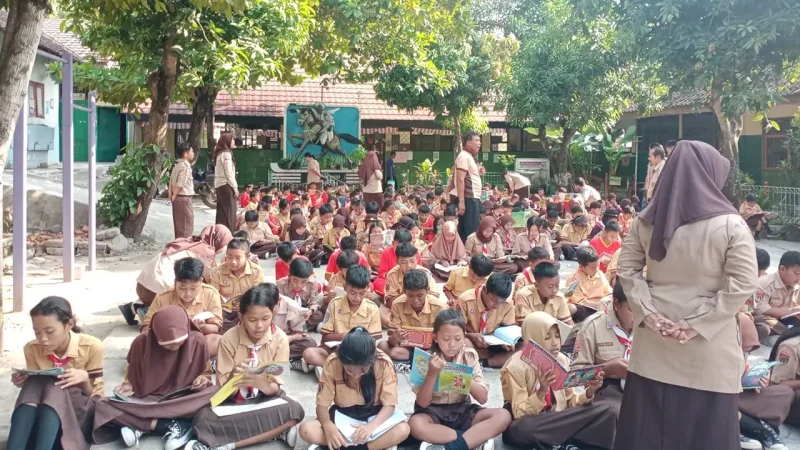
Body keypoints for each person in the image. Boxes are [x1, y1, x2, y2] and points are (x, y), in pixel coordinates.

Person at [614, 140, 757, 450]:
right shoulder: (732, 224)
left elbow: (626, 271)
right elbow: (744, 283)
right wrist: (697, 324)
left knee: (647, 432)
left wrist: (648, 314)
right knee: (704, 435)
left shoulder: (645, 221)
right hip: (707, 349)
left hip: (654, 344)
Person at [186, 285, 306, 450]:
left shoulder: (280, 339)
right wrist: (235, 379)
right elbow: (222, 389)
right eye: (252, 320)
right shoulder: (228, 339)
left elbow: (276, 387)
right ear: (241, 317)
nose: (259, 326)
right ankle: (275, 432)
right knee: (202, 420)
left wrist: (260, 382)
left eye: (265, 318)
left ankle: (228, 444)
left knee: (294, 410)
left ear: (274, 313)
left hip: (265, 398)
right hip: (234, 402)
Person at [92, 306, 214, 449]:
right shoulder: (141, 342)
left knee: (214, 395)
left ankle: (138, 423)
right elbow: (132, 373)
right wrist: (128, 385)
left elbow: (205, 373)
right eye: (168, 345)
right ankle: (170, 425)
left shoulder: (197, 340)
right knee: (102, 405)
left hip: (182, 398)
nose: (175, 347)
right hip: (149, 399)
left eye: (179, 343)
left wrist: (202, 380)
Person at [501, 312, 614, 450]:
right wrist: (541, 392)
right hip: (533, 423)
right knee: (523, 428)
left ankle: (557, 443)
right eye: (547, 337)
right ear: (532, 338)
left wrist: (590, 391)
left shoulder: (561, 360)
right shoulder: (516, 366)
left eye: (557, 336)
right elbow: (519, 413)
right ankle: (564, 443)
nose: (555, 343)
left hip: (557, 420)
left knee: (607, 410)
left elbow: (571, 402)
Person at [9, 297, 103, 450]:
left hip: (78, 413)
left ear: (69, 325)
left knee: (55, 385)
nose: (43, 339)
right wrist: (23, 380)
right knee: (36, 382)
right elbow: (35, 391)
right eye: (37, 332)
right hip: (45, 416)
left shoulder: (91, 346)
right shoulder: (32, 348)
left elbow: (96, 398)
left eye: (50, 331)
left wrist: (84, 379)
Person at [409, 310, 512, 450]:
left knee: (503, 416)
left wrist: (460, 374)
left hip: (462, 410)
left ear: (464, 337)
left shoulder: (469, 356)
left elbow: (482, 398)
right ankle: (470, 439)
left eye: (457, 339)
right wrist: (432, 374)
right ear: (435, 337)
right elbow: (422, 402)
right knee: (415, 424)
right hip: (433, 413)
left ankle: (453, 446)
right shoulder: (426, 359)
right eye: (446, 339)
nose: (452, 344)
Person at [298, 327, 411, 450]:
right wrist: (327, 425)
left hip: (375, 414)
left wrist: (371, 427)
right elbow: (322, 404)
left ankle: (349, 446)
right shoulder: (333, 362)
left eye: (362, 371)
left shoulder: (383, 363)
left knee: (403, 429)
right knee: (306, 430)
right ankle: (365, 445)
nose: (356, 376)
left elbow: (389, 405)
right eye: (349, 371)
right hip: (343, 415)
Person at [123, 225, 232, 326]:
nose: (223, 249)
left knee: (183, 283)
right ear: (218, 240)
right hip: (159, 290)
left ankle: (136, 306)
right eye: (225, 244)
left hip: (142, 286)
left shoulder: (190, 242)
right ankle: (147, 312)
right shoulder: (205, 251)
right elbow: (209, 281)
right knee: (192, 289)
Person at [570, 282, 634, 417]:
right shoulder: (593, 326)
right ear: (616, 304)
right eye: (632, 309)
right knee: (617, 413)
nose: (639, 315)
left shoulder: (647, 327)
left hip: (640, 388)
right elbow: (574, 377)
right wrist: (606, 369)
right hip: (606, 390)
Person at [301, 266, 382, 370]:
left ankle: (332, 368)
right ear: (345, 287)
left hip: (360, 352)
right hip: (336, 350)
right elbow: (325, 337)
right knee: (308, 353)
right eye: (352, 293)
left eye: (362, 293)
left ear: (368, 289)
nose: (357, 298)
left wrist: (355, 342)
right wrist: (344, 336)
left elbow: (373, 340)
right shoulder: (334, 304)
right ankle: (347, 369)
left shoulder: (372, 308)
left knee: (381, 360)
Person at [141, 257, 224, 357]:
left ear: (201, 281)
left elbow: (216, 327)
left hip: (196, 342)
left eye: (193, 288)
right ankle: (190, 361)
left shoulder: (210, 294)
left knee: (218, 341)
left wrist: (202, 327)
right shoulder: (163, 297)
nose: (188, 293)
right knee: (142, 342)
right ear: (175, 282)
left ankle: (179, 361)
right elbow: (146, 327)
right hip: (170, 343)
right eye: (182, 288)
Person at [379, 270, 447, 363]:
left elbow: (445, 337)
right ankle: (421, 359)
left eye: (420, 295)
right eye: (410, 296)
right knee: (382, 346)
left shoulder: (439, 307)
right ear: (404, 291)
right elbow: (392, 341)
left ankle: (420, 359)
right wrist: (395, 337)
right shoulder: (397, 304)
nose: (415, 300)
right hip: (407, 350)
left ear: (428, 290)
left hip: (432, 350)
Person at [456, 273, 516, 368]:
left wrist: (508, 340)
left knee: (523, 347)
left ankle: (483, 363)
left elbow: (507, 328)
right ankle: (496, 359)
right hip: (472, 342)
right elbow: (455, 329)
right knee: (459, 342)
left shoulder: (508, 304)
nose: (497, 306)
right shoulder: (465, 300)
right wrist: (470, 336)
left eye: (501, 302)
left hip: (495, 344)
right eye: (494, 300)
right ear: (484, 290)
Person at [209, 237, 265, 333]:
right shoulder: (217, 272)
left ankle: (232, 330)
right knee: (211, 319)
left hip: (246, 311)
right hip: (223, 311)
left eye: (238, 258)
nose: (233, 262)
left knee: (257, 317)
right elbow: (212, 297)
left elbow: (258, 296)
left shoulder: (256, 271)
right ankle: (238, 330)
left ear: (247, 257)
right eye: (229, 257)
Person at [753, 251, 800, 340]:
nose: (799, 278)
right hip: (766, 320)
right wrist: (792, 310)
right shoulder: (765, 283)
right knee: (763, 328)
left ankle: (786, 333)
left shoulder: (797, 284)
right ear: (782, 269)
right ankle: (788, 333)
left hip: (785, 320)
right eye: (796, 273)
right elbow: (762, 311)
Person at [449, 131, 484, 242]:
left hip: (472, 198)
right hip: (468, 198)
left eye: (480, 141)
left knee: (466, 230)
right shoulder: (464, 156)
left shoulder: (469, 157)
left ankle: (466, 254)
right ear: (468, 143)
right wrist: (462, 202)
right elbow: (460, 180)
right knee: (471, 231)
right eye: (477, 140)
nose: (479, 143)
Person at [514, 262, 572, 326]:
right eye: (550, 287)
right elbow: (525, 325)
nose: (555, 290)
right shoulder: (523, 295)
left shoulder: (559, 297)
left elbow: (568, 323)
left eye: (557, 285)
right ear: (537, 285)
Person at [384, 242, 438, 311]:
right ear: (397, 261)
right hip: (401, 309)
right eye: (404, 262)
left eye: (412, 261)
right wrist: (407, 293)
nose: (409, 266)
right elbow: (389, 303)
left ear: (417, 259)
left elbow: (435, 297)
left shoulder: (425, 273)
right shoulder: (392, 275)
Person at [566, 247, 612, 323]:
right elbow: (581, 302)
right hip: (584, 309)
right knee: (574, 308)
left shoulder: (600, 274)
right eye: (593, 268)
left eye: (598, 266)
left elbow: (609, 293)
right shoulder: (574, 279)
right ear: (581, 267)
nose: (597, 269)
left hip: (600, 307)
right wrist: (601, 304)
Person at [277, 258, 325, 330]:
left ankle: (292, 329)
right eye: (295, 280)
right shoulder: (281, 284)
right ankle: (303, 328)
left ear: (308, 279)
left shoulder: (312, 283)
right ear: (289, 276)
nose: (299, 285)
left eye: (303, 282)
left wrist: (310, 311)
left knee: (319, 315)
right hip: (288, 311)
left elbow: (314, 303)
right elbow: (279, 306)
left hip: (304, 309)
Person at [169, 143, 195, 239]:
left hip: (178, 199)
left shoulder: (177, 165)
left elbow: (171, 182)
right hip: (183, 198)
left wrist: (171, 196)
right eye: (191, 151)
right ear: (185, 154)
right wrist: (174, 196)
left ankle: (179, 246)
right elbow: (180, 184)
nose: (193, 153)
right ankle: (184, 248)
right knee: (186, 226)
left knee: (179, 226)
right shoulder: (185, 166)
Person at [214, 132, 239, 232]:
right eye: (232, 140)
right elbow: (229, 172)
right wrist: (235, 187)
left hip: (220, 185)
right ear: (227, 141)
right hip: (226, 185)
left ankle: (220, 234)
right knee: (230, 212)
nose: (233, 141)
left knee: (222, 212)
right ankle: (229, 234)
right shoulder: (226, 153)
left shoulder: (220, 152)